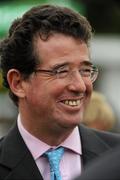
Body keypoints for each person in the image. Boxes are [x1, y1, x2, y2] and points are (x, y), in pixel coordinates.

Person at [0, 4, 120, 180]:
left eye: (85, 70)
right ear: (18, 83)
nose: (79, 86)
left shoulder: (115, 158)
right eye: (61, 71)